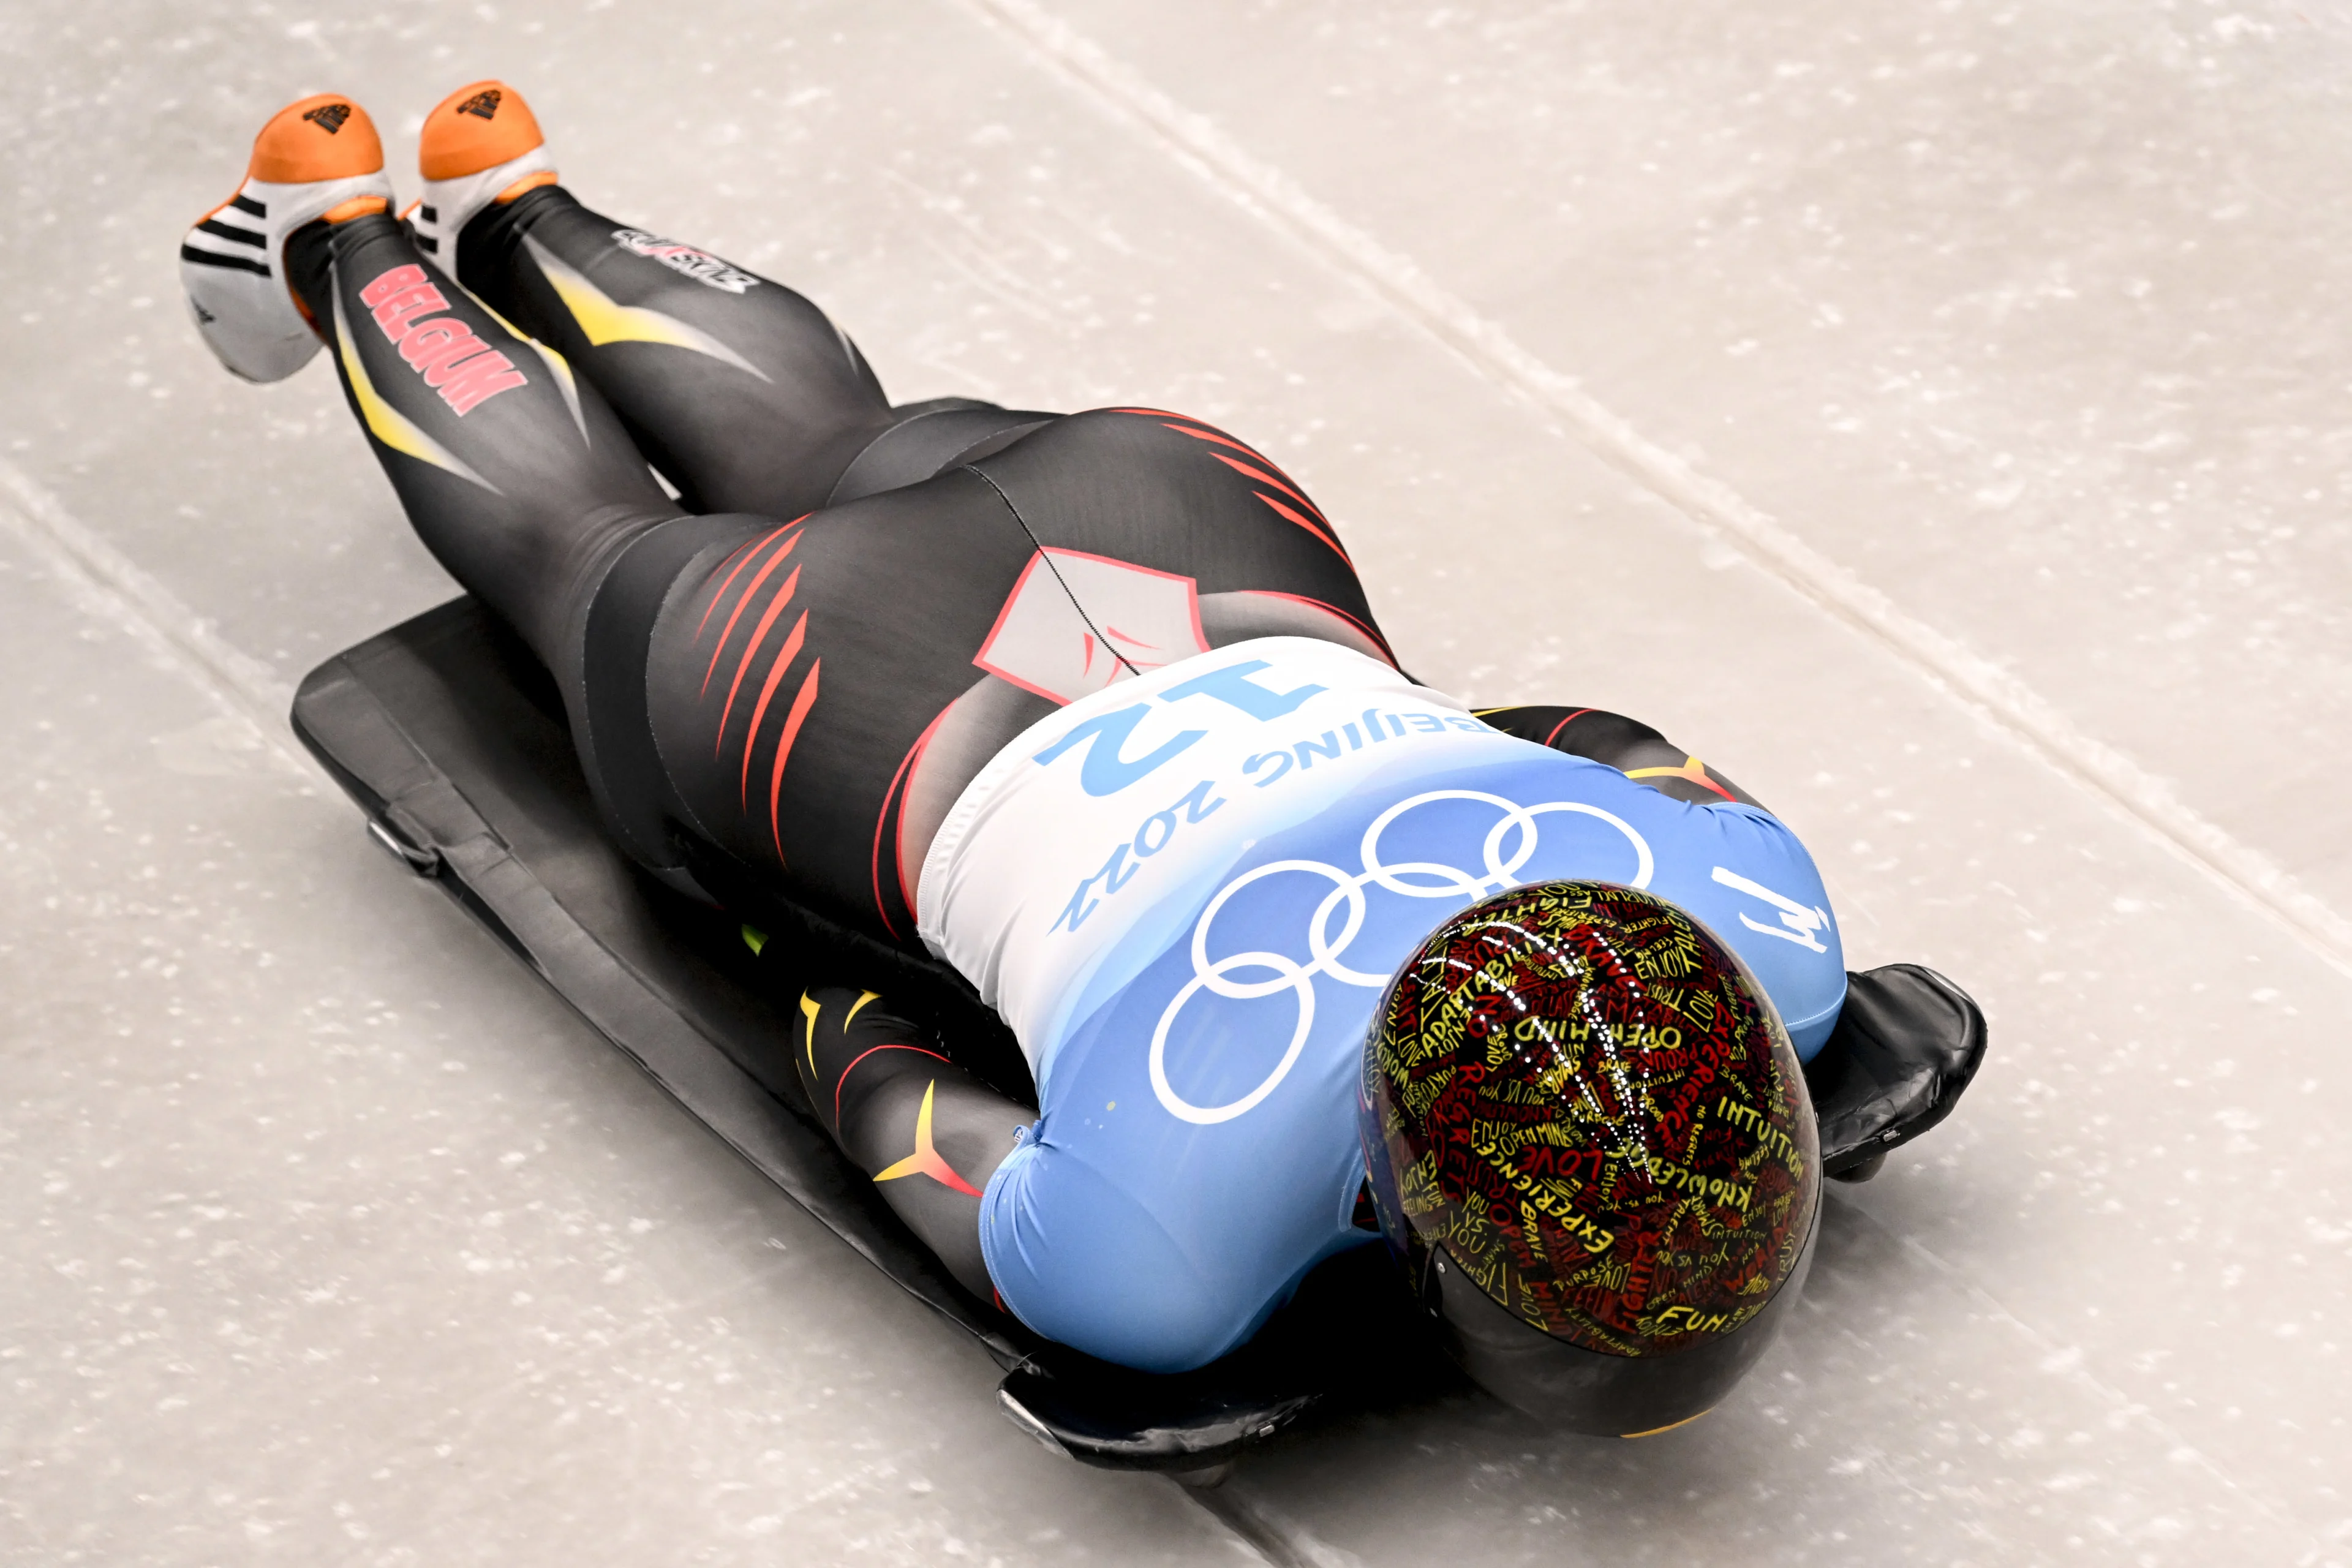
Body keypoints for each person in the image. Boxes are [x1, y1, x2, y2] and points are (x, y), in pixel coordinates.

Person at [181, 83, 1855, 1421]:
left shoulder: (1772, 927)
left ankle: (520, 203)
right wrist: (813, 943)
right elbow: (865, 1063)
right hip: (856, 701)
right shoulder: (1160, 1254)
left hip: (1172, 521)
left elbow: (1584, 734)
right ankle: (336, 242)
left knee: (847, 441)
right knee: (592, 554)